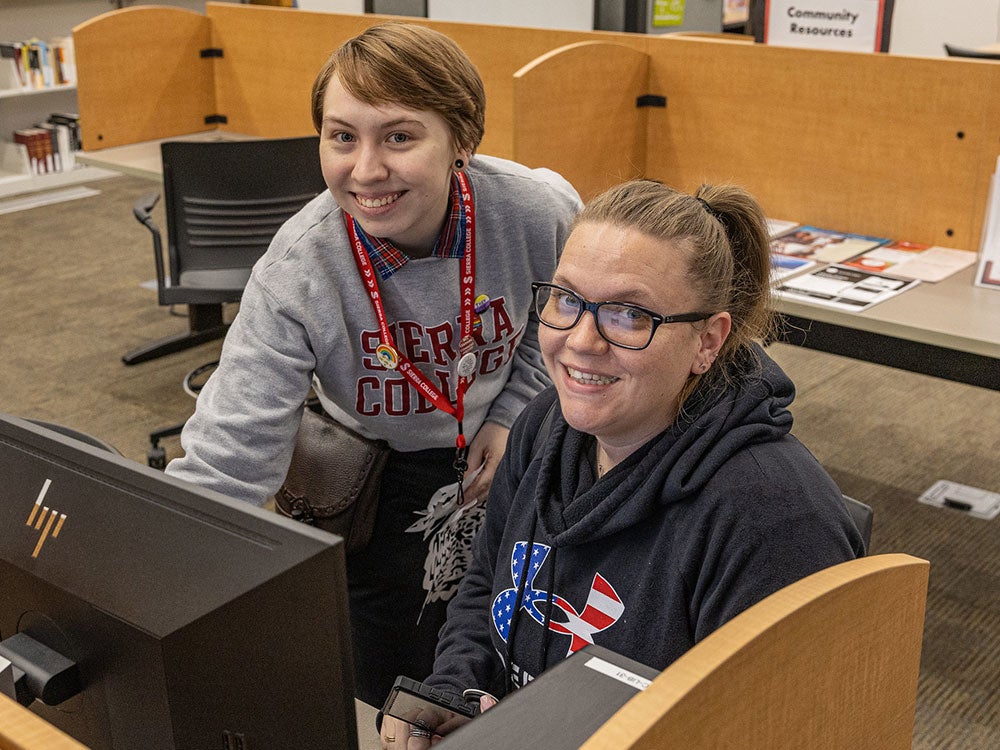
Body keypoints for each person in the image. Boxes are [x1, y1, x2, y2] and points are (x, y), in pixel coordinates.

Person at [165, 22, 582, 705]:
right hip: (371, 478)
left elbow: (559, 321)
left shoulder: (535, 213)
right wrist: (165, 576)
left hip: (505, 464)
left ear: (461, 141)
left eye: (398, 136)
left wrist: (513, 412)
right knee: (379, 680)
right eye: (341, 136)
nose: (365, 171)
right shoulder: (300, 269)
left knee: (509, 658)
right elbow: (229, 454)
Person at [379, 178, 864, 746]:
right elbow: (485, 586)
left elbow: (767, 732)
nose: (581, 340)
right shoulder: (544, 426)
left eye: (629, 315)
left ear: (707, 341)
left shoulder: (774, 521)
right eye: (566, 300)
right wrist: (459, 697)